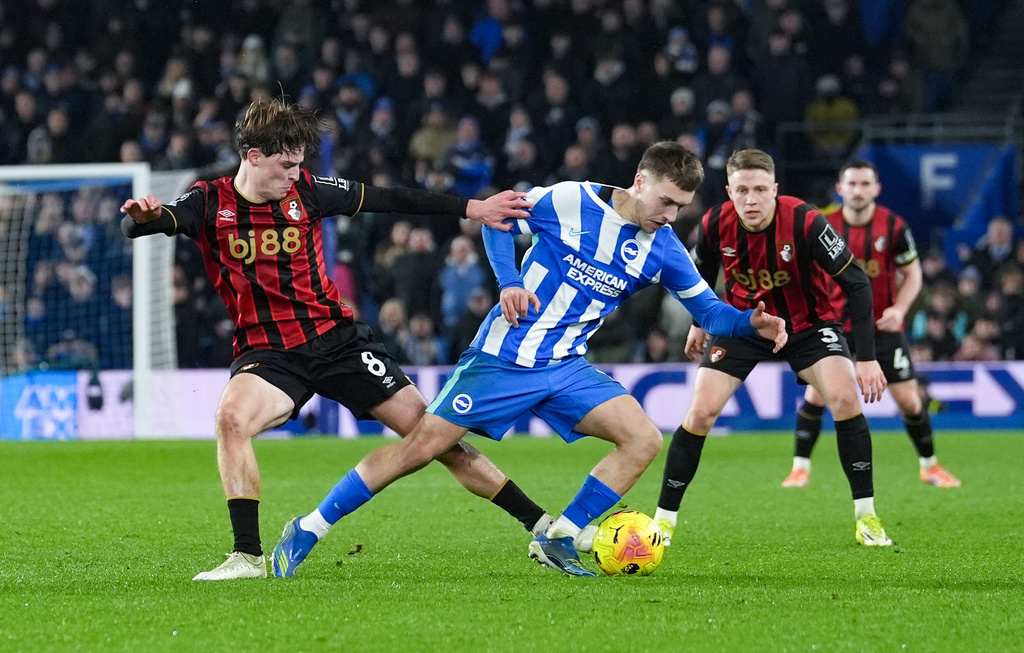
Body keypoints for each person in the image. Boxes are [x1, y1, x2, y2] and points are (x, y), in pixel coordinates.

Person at [270, 142, 787, 578]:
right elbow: (497, 221)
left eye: (680, 208)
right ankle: (310, 527)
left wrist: (751, 324)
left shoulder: (665, 248)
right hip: (504, 355)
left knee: (644, 438)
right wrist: (510, 282)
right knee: (421, 449)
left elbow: (712, 314)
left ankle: (559, 536)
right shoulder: (570, 200)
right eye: (667, 201)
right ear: (640, 180)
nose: (670, 216)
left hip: (567, 366)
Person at [120, 97, 552, 581]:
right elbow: (149, 224)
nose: (293, 175)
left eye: (299, 165)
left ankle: (541, 526)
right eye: (285, 165)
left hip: (339, 341)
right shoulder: (209, 201)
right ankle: (247, 556)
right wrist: (141, 216)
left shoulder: (308, 190)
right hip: (270, 354)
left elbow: (390, 197)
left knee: (435, 437)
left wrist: (473, 208)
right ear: (253, 155)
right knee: (230, 418)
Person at [654, 149, 894, 549]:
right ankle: (663, 522)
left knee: (845, 398)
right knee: (700, 412)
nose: (751, 200)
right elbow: (701, 273)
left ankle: (866, 516)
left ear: (775, 190)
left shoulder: (805, 221)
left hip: (809, 326)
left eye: (760, 190)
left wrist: (866, 357)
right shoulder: (715, 223)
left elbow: (857, 282)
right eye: (742, 190)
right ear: (729, 190)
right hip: (744, 324)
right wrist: (699, 322)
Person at [782, 159, 961, 489]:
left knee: (910, 401)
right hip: (833, 328)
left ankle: (930, 466)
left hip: (882, 328)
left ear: (876, 189)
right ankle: (799, 468)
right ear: (840, 188)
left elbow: (914, 274)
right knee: (817, 395)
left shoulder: (893, 227)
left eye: (865, 184)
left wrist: (901, 308)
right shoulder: (822, 225)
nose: (858, 190)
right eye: (852, 184)